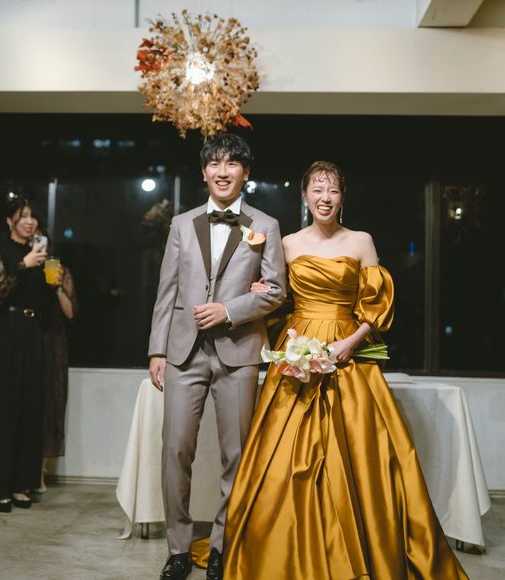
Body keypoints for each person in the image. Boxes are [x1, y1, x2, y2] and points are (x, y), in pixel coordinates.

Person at [223, 161, 468, 579]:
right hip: (297, 350)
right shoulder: (288, 243)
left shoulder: (361, 241)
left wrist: (350, 342)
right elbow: (279, 299)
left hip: (347, 351)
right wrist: (260, 290)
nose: (325, 198)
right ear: (305, 196)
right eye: (317, 190)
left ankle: (361, 545)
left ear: (342, 197)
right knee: (284, 454)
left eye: (332, 190)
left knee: (360, 452)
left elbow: (376, 307)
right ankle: (281, 550)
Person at [148, 133, 286, 580]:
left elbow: (277, 291)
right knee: (175, 450)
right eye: (214, 163)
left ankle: (224, 546)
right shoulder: (181, 223)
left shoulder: (266, 225)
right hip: (183, 352)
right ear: (204, 171)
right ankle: (178, 549)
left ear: (246, 173)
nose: (222, 171)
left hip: (239, 353)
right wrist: (157, 349)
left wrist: (230, 310)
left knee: (236, 454)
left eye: (231, 164)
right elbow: (167, 291)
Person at [0, 198, 48, 512]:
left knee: (28, 406)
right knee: (1, 408)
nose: (29, 221)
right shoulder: (0, 250)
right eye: (23, 216)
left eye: (33, 217)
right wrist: (23, 265)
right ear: (10, 221)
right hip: (4, 330)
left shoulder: (39, 252)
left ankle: (20, 484)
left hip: (31, 331)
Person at [35, 222, 78, 494]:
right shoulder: (25, 270)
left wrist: (59, 286)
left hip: (53, 342)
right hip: (30, 338)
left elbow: (70, 313)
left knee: (50, 407)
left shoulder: (60, 270)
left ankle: (39, 473)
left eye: (42, 240)